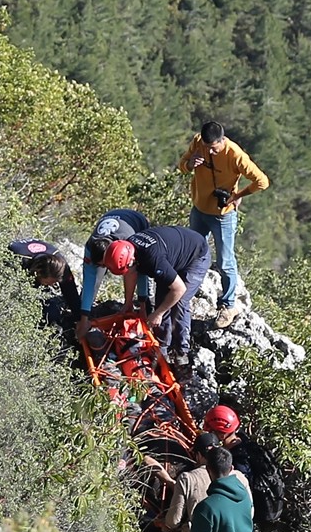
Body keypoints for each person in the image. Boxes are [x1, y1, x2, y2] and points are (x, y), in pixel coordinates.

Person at [178, 121, 269, 330]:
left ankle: (228, 305)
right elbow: (182, 166)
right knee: (192, 253)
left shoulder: (234, 154)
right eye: (207, 146)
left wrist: (238, 195)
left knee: (225, 261)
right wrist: (190, 163)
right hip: (199, 210)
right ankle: (184, 294)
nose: (210, 150)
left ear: (222, 140)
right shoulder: (198, 143)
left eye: (214, 147)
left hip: (223, 216)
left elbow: (262, 181)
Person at [103, 225, 210, 368]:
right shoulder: (128, 246)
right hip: (172, 254)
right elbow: (130, 273)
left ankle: (181, 352)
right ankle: (161, 349)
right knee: (162, 302)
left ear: (130, 260)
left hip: (196, 255)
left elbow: (179, 289)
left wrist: (158, 314)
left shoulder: (152, 259)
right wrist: (128, 303)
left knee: (179, 303)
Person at [203, 404, 284, 527]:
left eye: (212, 432)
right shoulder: (247, 443)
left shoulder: (237, 461)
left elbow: (241, 492)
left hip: (259, 512)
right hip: (274, 503)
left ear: (221, 435)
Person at [76, 208, 151, 343]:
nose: (105, 269)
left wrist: (140, 305)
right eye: (102, 265)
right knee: (95, 278)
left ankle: (134, 304)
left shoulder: (131, 242)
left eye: (105, 265)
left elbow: (140, 273)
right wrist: (84, 319)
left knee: (134, 269)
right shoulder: (90, 247)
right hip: (111, 218)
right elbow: (89, 282)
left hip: (137, 223)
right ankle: (86, 313)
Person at [9, 239, 81, 339]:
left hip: (36, 265)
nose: (51, 285)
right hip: (20, 268)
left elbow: (71, 292)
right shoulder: (17, 260)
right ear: (37, 273)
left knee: (52, 313)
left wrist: (80, 319)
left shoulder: (61, 265)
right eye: (48, 283)